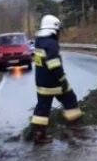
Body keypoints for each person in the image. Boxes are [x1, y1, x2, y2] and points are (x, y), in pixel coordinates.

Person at [29, 14, 83, 145]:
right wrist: (62, 80)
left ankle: (38, 135)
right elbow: (54, 64)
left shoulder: (39, 41)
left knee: (42, 109)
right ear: (53, 29)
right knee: (70, 99)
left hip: (41, 83)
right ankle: (75, 128)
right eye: (58, 30)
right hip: (54, 82)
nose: (59, 33)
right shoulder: (51, 44)